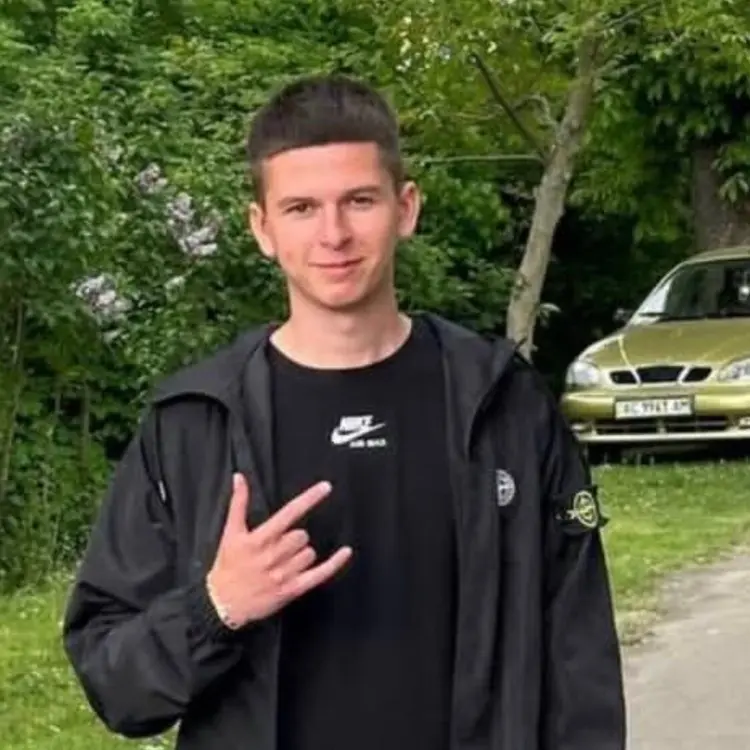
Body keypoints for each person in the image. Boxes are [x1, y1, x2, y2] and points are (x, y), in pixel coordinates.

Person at [62, 74, 626, 750]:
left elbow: (580, 659)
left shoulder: (502, 404)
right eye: (301, 208)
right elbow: (115, 684)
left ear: (405, 208)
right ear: (262, 228)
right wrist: (216, 607)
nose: (334, 234)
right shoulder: (193, 423)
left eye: (359, 200)